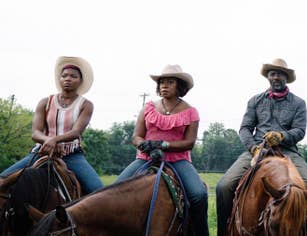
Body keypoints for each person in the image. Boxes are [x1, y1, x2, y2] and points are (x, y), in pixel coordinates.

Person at [215, 58, 307, 236]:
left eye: (280, 74)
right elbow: (245, 129)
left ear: (286, 77)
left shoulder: (298, 103)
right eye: (272, 74)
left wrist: (282, 136)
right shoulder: (255, 101)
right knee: (223, 186)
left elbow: (300, 131)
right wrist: (253, 148)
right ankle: (223, 231)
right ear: (268, 77)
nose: (276, 77)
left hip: (287, 151)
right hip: (257, 149)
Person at [115, 64, 208, 236]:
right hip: (145, 158)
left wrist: (163, 145)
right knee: (115, 189)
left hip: (178, 160)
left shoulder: (190, 112)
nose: (164, 85)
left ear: (179, 86)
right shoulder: (148, 108)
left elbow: (189, 143)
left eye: (170, 82)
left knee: (199, 194)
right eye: (162, 82)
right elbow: (136, 136)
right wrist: (145, 145)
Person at [0, 56, 103, 193]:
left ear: (80, 81)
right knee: (2, 180)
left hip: (71, 155)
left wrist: (54, 140)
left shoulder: (86, 105)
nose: (68, 79)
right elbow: (36, 132)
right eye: (64, 75)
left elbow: (76, 132)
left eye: (73, 76)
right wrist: (49, 141)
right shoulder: (45, 102)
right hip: (41, 153)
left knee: (97, 189)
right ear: (59, 79)